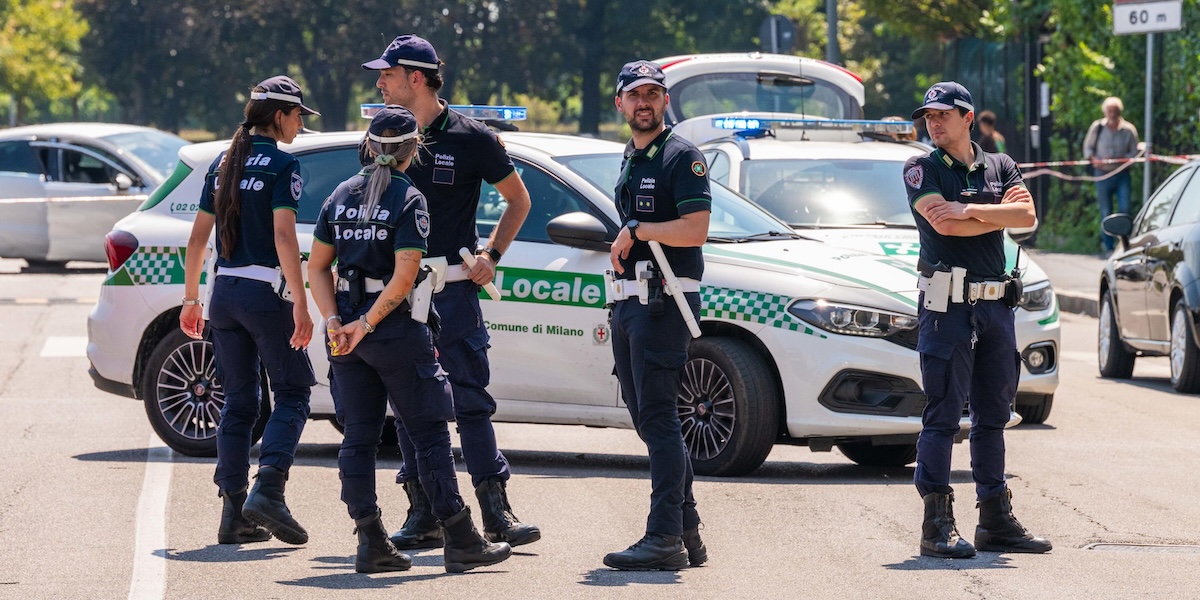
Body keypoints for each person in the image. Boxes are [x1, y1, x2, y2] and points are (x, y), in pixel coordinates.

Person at [308, 105, 512, 573]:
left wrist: (337, 320)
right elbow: (402, 280)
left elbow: (316, 267)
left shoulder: (339, 196)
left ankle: (371, 540)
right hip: (394, 328)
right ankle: (461, 538)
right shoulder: (408, 199)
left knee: (358, 437)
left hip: (347, 333)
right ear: (412, 149)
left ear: (368, 146)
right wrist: (368, 323)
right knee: (429, 433)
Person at [360, 34, 538, 550]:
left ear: (416, 77)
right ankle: (424, 513)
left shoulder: (472, 137)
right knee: (412, 403)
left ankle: (495, 511)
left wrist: (493, 256)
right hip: (399, 292)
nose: (380, 83)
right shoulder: (380, 138)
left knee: (471, 400)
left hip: (453, 291)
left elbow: (518, 200)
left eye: (387, 74)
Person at [904, 82, 1052, 559]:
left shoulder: (1000, 165)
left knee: (994, 415)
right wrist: (994, 215)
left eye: (942, 115)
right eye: (928, 116)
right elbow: (941, 224)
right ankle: (936, 522)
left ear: (968, 117)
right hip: (947, 307)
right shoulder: (920, 168)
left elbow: (1026, 214)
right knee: (943, 414)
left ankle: (994, 518)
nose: (933, 123)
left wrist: (969, 208)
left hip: (995, 307)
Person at [180, 75, 318, 546]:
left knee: (239, 403)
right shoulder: (284, 164)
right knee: (295, 391)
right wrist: (302, 301)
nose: (301, 124)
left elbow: (197, 240)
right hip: (265, 296)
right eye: (298, 114)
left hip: (223, 295)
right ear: (279, 115)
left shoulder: (223, 164)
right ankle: (270, 490)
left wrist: (191, 299)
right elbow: (284, 238)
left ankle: (233, 515)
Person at [602, 60, 711, 571]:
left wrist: (639, 230)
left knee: (661, 420)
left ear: (665, 101)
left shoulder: (680, 155)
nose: (644, 101)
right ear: (620, 103)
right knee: (647, 419)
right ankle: (686, 531)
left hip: (663, 303)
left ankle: (663, 535)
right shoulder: (632, 153)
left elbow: (695, 230)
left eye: (653, 93)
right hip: (630, 302)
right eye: (634, 94)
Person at [1082, 96, 1140, 252]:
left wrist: (1122, 160)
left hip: (1122, 174)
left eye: (1115, 111)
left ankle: (1124, 244)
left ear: (1119, 112)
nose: (1112, 114)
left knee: (1124, 208)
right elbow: (1088, 149)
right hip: (1103, 174)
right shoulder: (1097, 127)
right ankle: (1108, 247)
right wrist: (1096, 161)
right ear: (1105, 112)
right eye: (1109, 110)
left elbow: (1135, 153)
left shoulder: (1128, 130)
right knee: (1105, 211)